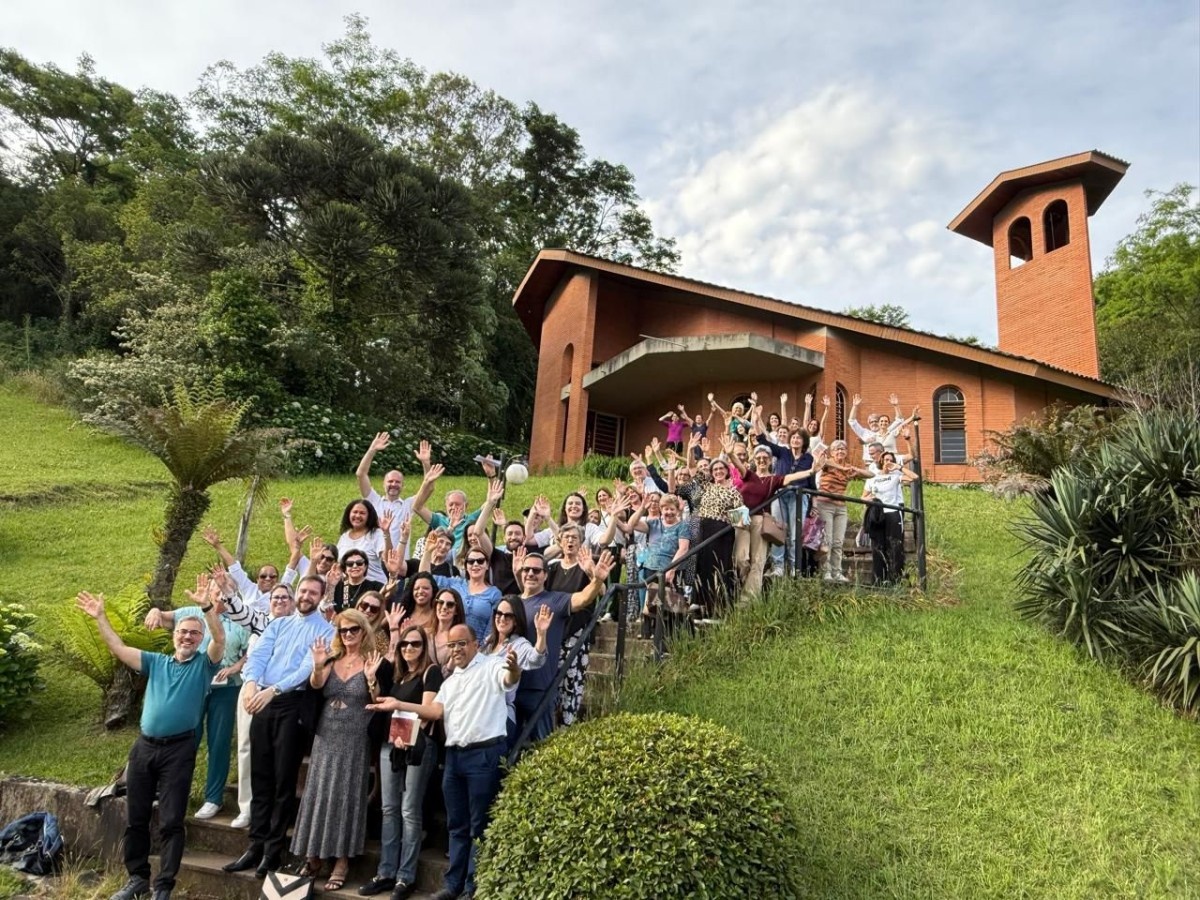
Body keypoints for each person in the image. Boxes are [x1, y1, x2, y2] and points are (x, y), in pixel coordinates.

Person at [76, 585, 225, 900]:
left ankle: (164, 887)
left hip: (179, 750)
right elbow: (118, 647)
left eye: (194, 634)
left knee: (171, 821)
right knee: (136, 818)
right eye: (182, 632)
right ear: (174, 636)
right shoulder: (156, 662)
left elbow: (220, 639)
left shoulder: (204, 664)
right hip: (144, 748)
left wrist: (207, 609)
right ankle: (137, 879)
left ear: (200, 639)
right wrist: (100, 617)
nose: (187, 637)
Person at [368, 624, 521, 900]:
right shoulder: (450, 681)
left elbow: (508, 680)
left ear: (475, 644)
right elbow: (434, 711)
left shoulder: (492, 665)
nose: (456, 649)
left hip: (484, 754)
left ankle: (473, 887)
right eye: (452, 645)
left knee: (479, 825)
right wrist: (398, 705)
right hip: (454, 757)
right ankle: (453, 885)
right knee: (456, 824)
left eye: (462, 643)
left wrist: (514, 669)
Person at [224, 575, 335, 878]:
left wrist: (273, 690)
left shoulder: (327, 631)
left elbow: (305, 670)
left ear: (321, 597)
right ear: (296, 593)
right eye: (303, 591)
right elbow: (259, 656)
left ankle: (273, 850)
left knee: (284, 781)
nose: (306, 596)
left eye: (313, 593)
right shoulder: (278, 624)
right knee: (260, 776)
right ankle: (255, 845)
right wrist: (250, 683)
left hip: (292, 704)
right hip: (262, 700)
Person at [290, 609, 382, 892]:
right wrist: (318, 666)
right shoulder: (331, 658)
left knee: (347, 795)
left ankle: (342, 860)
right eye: (344, 630)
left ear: (363, 631)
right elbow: (317, 685)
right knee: (319, 793)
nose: (349, 634)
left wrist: (370, 678)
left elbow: (378, 699)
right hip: (326, 734)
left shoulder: (372, 660)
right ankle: (314, 856)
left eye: (354, 629)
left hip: (355, 736)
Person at [143, 589, 250, 821]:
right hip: (193, 687)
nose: (220, 597)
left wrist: (235, 667)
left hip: (226, 689)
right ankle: (173, 791)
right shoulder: (192, 612)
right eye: (216, 591)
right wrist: (155, 611)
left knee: (218, 742)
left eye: (225, 592)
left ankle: (213, 798)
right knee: (185, 740)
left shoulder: (239, 620)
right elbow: (165, 617)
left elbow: (250, 652)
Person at [512, 549, 614, 742]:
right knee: (509, 746)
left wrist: (597, 580)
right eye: (526, 570)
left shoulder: (555, 600)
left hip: (540, 688)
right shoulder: (512, 603)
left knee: (542, 745)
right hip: (511, 686)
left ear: (545, 576)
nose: (531, 574)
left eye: (536, 570)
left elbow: (583, 598)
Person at [727, 438, 822, 600]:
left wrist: (811, 471)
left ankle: (748, 599)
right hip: (740, 516)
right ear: (754, 460)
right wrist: (730, 454)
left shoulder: (774, 479)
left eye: (765, 458)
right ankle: (744, 583)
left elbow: (792, 477)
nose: (762, 460)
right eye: (758, 458)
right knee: (740, 558)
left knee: (758, 560)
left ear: (771, 460)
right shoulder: (749, 475)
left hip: (759, 518)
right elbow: (738, 465)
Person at [482, 599, 550, 751]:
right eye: (499, 613)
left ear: (516, 620)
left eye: (508, 615)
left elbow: (536, 659)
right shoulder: (488, 643)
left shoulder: (519, 644)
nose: (502, 618)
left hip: (501, 714)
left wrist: (541, 635)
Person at [355, 432, 431, 555]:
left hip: (399, 562)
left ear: (403, 486)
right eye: (390, 481)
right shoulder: (373, 501)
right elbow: (361, 474)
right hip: (374, 561)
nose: (394, 484)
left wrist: (426, 463)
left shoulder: (408, 505)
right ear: (383, 484)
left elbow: (428, 488)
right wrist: (372, 450)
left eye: (398, 482)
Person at [863, 451, 919, 584]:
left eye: (891, 460)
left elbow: (915, 477)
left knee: (894, 545)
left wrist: (899, 467)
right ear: (881, 461)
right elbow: (863, 497)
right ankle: (878, 580)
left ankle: (894, 578)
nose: (888, 462)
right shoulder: (872, 478)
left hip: (892, 512)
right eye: (886, 459)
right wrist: (870, 498)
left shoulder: (896, 476)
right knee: (878, 547)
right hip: (877, 515)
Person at [337, 500, 392, 585]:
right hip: (349, 588)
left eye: (362, 513)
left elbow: (388, 558)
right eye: (355, 512)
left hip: (374, 587)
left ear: (369, 516)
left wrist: (386, 533)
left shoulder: (376, 534)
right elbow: (338, 563)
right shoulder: (344, 536)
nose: (357, 516)